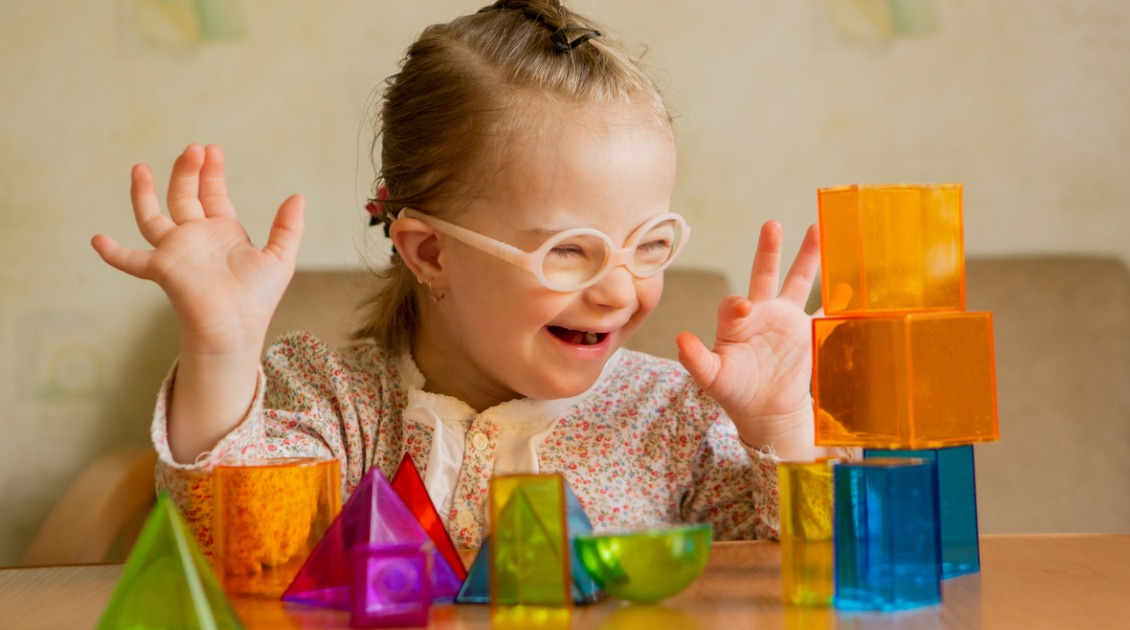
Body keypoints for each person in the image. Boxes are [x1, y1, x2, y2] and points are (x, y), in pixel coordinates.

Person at [91, 0, 828, 552]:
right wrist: (220, 349)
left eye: (649, 243)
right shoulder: (331, 408)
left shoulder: (674, 417)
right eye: (571, 250)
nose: (620, 290)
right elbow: (232, 549)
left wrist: (781, 429)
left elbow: (800, 582)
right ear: (431, 254)